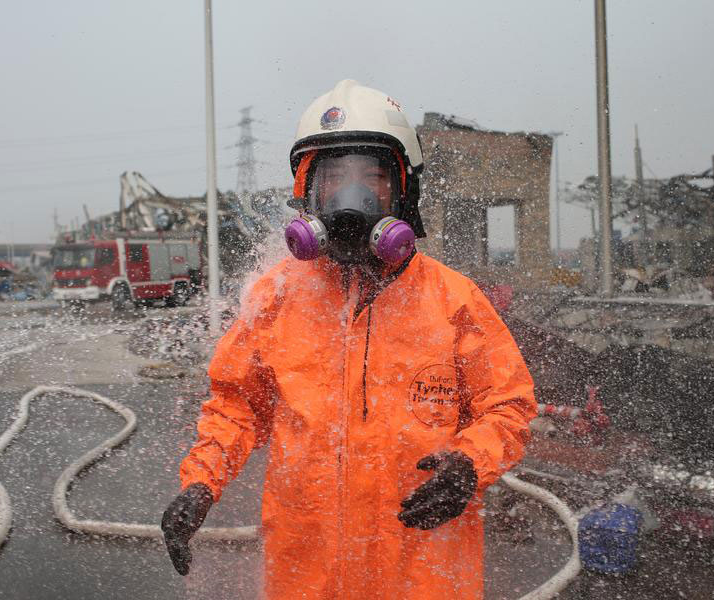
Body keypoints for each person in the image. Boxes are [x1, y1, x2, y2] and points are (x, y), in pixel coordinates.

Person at [161, 79, 537, 599]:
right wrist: (201, 484)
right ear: (309, 192)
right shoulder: (276, 298)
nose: (351, 198)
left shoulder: (454, 300)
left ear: (404, 190)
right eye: (335, 178)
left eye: (372, 178)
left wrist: (470, 465)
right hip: (307, 574)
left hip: (423, 572)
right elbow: (236, 406)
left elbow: (508, 406)